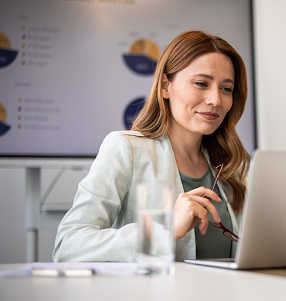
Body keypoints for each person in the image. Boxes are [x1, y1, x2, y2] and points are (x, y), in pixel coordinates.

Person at [53, 30, 250, 262]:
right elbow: (68, 245)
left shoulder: (231, 165)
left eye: (226, 89)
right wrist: (163, 229)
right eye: (201, 83)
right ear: (166, 86)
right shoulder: (126, 149)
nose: (215, 100)